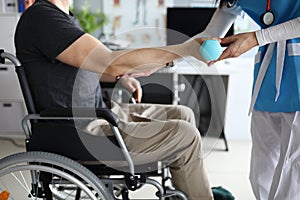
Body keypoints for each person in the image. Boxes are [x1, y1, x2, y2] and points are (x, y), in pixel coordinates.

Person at [14, 0, 214, 199]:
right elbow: (109, 61)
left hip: (96, 113)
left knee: (182, 114)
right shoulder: (44, 19)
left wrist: (120, 76)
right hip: (79, 131)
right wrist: (186, 49)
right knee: (185, 135)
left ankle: (186, 190)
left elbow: (80, 67)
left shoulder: (61, 17)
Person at [196, 0, 300, 199]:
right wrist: (159, 61)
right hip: (267, 78)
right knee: (261, 172)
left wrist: (256, 38)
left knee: (293, 169)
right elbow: (209, 35)